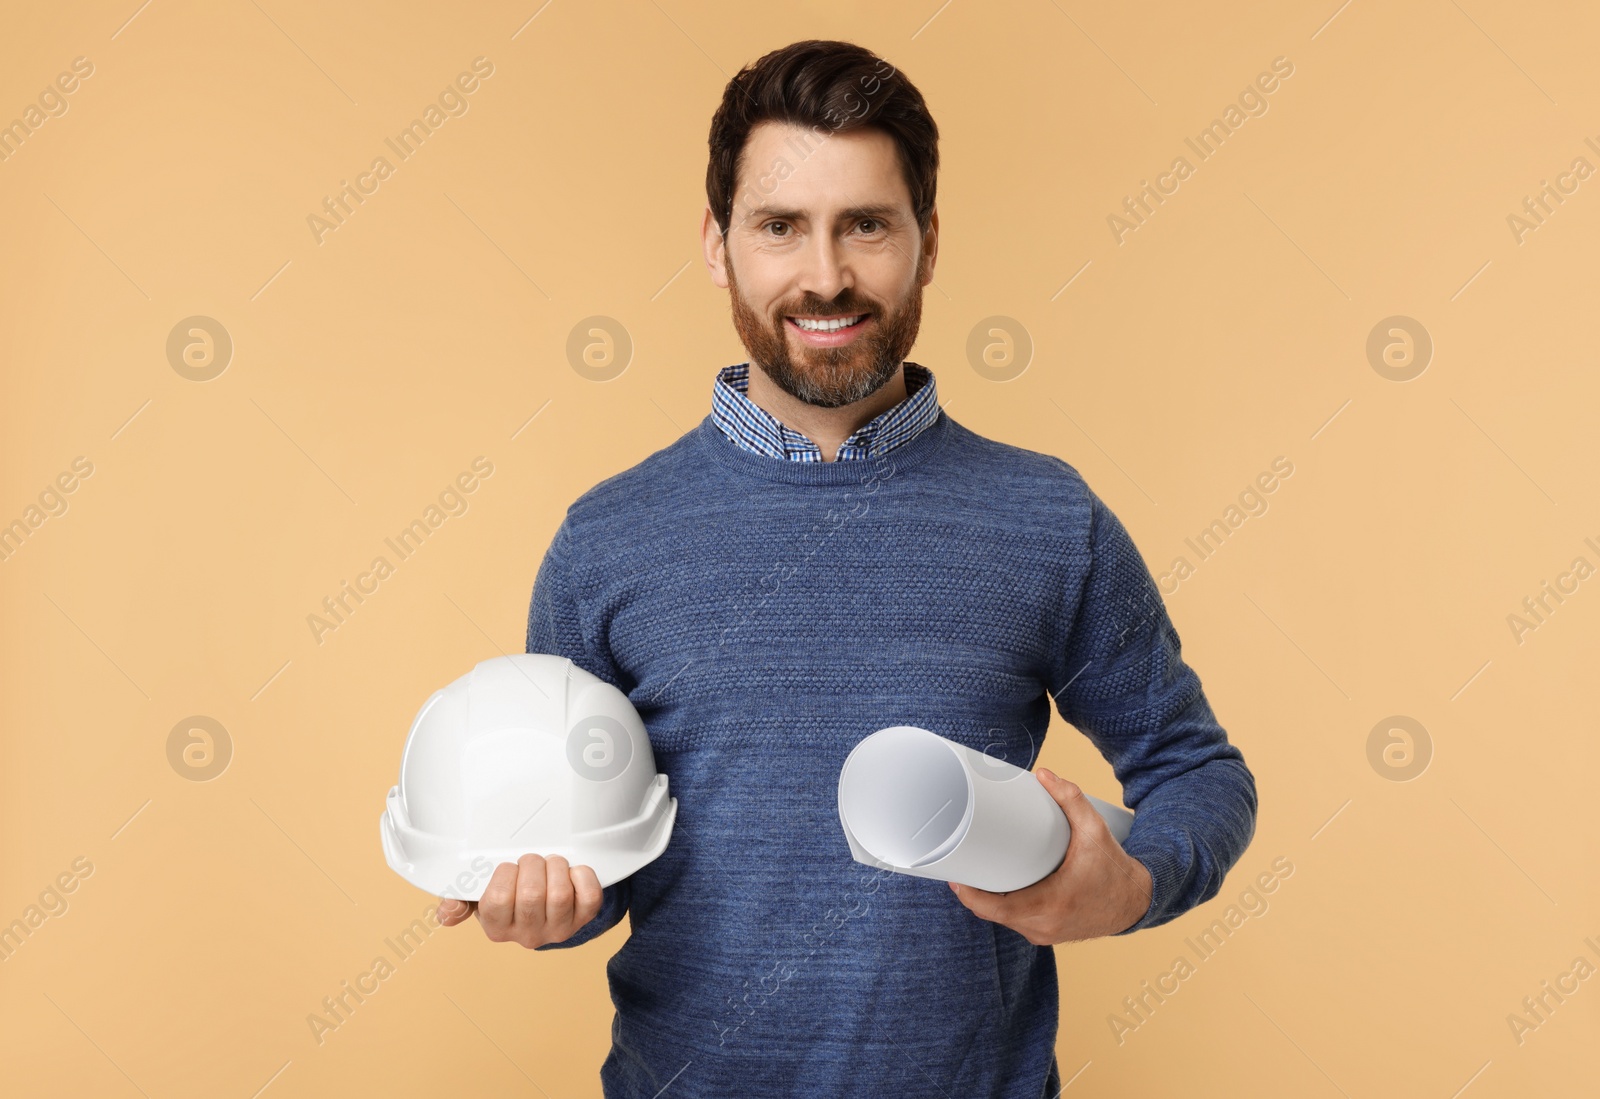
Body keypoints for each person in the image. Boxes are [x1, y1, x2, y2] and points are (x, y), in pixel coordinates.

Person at [438, 38, 1257, 1098]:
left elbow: (1198, 772)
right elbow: (583, 852)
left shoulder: (1048, 518)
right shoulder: (607, 540)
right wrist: (546, 902)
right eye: (780, 227)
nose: (824, 276)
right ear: (718, 244)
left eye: (865, 224)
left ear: (926, 245)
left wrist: (1132, 884)